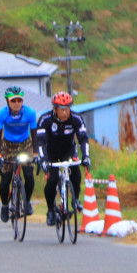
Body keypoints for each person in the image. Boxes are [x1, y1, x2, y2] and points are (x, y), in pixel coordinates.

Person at [34, 91, 91, 226]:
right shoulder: (45, 119)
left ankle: (75, 199)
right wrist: (43, 160)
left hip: (68, 150)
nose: (65, 113)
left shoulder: (76, 118)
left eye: (67, 109)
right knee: (52, 180)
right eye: (61, 109)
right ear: (55, 109)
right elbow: (40, 141)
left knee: (75, 171)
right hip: (51, 152)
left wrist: (86, 156)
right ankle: (50, 210)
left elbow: (83, 139)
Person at [0, 86, 38, 223]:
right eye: (13, 101)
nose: (17, 103)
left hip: (25, 144)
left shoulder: (30, 113)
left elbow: (34, 134)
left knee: (29, 176)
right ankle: (4, 205)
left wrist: (36, 154)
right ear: (7, 101)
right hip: (8, 145)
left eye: (19, 100)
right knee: (5, 181)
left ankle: (27, 201)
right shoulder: (1, 114)